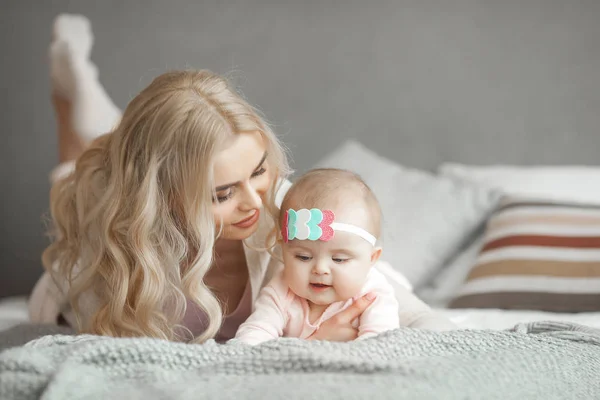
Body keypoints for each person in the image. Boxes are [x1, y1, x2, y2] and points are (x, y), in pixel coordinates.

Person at [29, 14, 456, 344]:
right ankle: (69, 101)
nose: (255, 202)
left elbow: (411, 309)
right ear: (164, 197)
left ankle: (97, 112)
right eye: (222, 193)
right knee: (76, 179)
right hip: (83, 254)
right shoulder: (117, 252)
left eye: (258, 170)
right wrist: (308, 345)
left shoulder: (284, 207)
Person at [235, 169, 400, 345]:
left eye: (339, 259)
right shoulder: (281, 290)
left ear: (372, 259)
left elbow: (381, 345)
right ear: (283, 251)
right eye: (304, 257)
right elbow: (255, 333)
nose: (320, 268)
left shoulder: (373, 294)